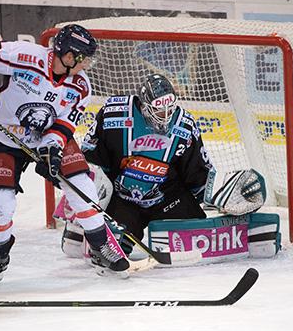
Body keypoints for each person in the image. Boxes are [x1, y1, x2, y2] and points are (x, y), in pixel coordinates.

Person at [0, 24, 129, 282]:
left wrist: (51, 148)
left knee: (82, 185)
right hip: (4, 137)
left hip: (46, 138)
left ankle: (100, 246)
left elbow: (64, 125)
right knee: (0, 204)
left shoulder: (81, 86)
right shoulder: (25, 56)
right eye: (85, 59)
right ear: (69, 57)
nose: (87, 65)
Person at [63, 73, 214, 255]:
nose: (165, 116)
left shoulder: (184, 125)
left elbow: (196, 167)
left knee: (201, 237)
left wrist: (205, 196)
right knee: (114, 246)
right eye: (159, 110)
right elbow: (90, 158)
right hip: (123, 200)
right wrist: (85, 204)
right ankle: (79, 228)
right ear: (144, 106)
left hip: (167, 197)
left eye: (170, 109)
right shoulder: (114, 114)